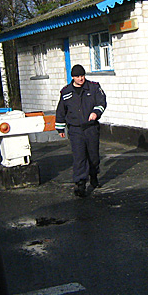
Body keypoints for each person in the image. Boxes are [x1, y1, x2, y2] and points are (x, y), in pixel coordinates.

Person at [55, 64, 107, 197]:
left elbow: (102, 102)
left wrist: (96, 112)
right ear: (73, 77)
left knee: (93, 156)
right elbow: (61, 110)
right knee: (79, 156)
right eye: (78, 76)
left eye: (82, 75)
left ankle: (94, 176)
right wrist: (60, 127)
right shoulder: (66, 92)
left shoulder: (94, 87)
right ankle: (80, 184)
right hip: (75, 129)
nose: (81, 78)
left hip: (91, 128)